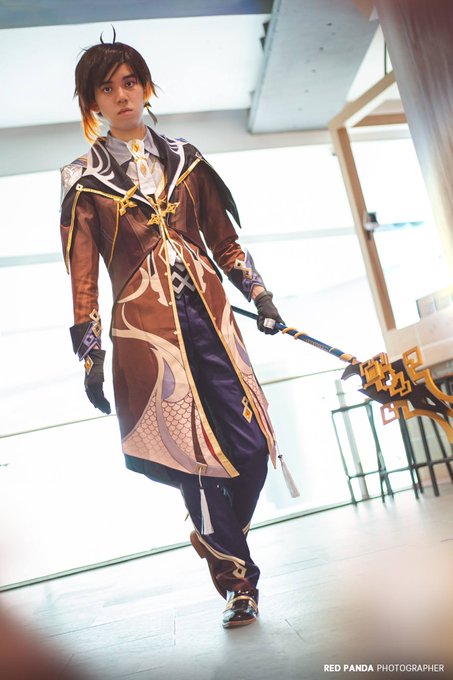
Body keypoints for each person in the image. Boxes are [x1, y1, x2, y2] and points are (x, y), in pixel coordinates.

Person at [60, 39, 285, 628]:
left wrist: (259, 294)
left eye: (129, 81)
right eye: (107, 88)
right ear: (93, 103)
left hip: (212, 322)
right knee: (195, 462)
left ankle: (215, 538)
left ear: (145, 87)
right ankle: (239, 585)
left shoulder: (186, 158)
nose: (122, 95)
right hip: (146, 338)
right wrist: (90, 353)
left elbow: (224, 241)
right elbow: (83, 277)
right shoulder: (83, 181)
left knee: (251, 448)